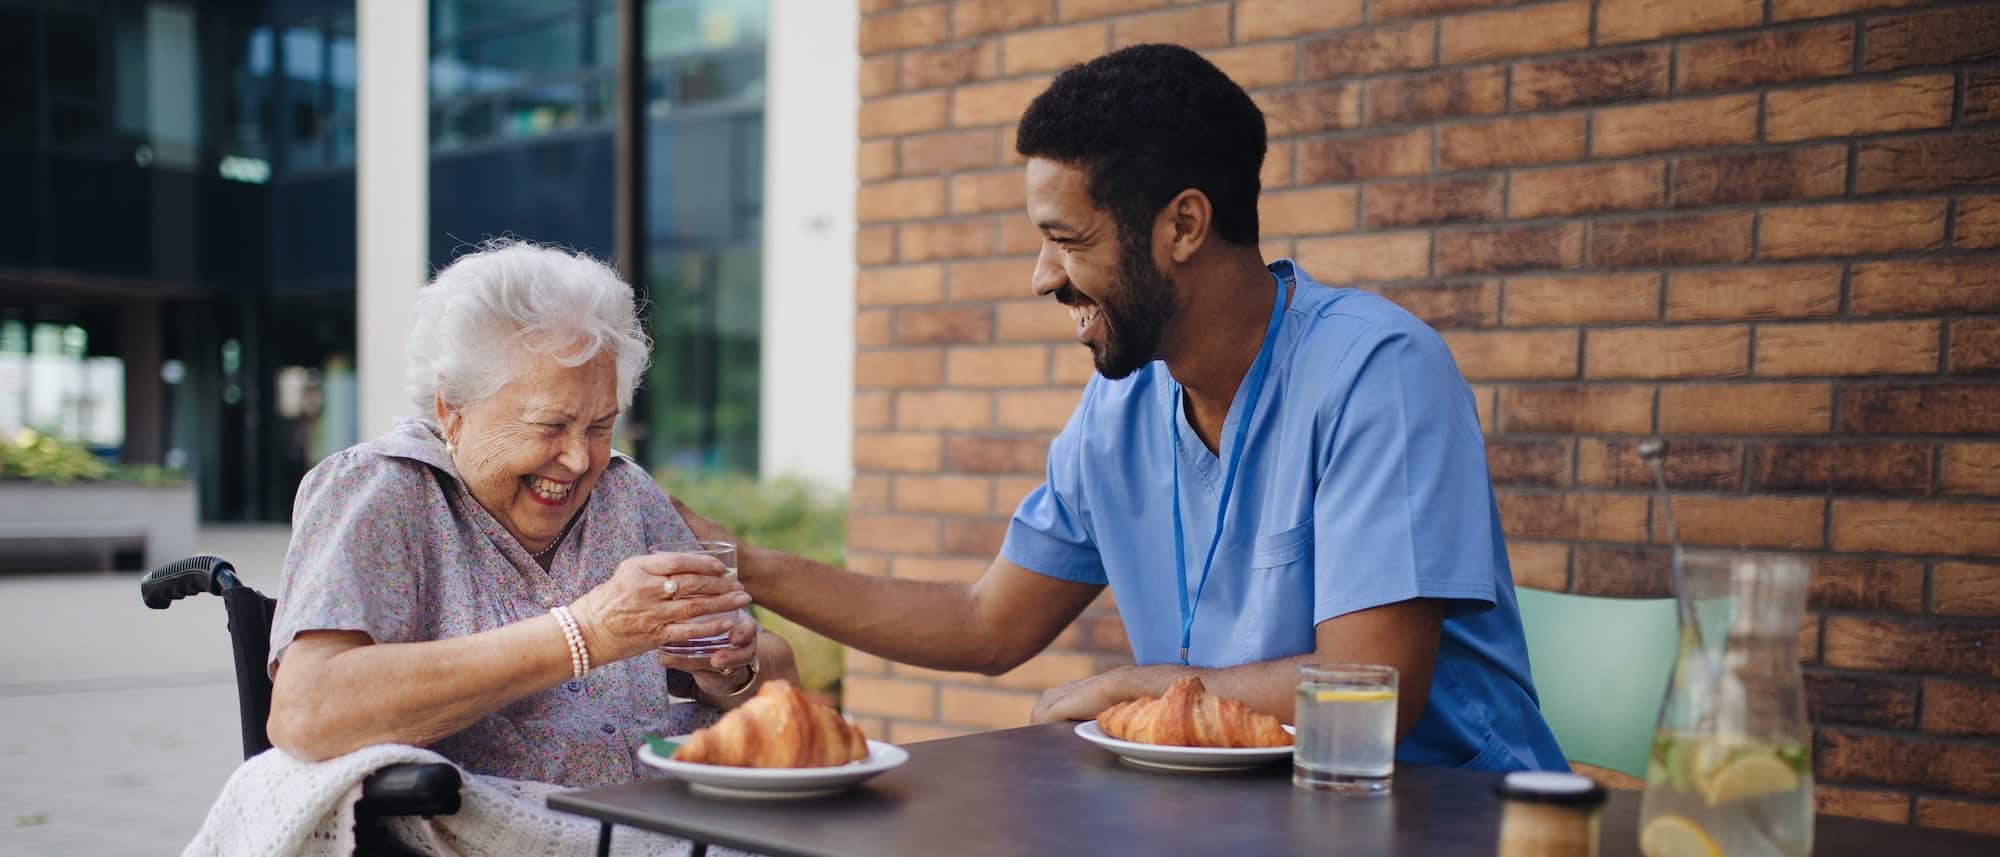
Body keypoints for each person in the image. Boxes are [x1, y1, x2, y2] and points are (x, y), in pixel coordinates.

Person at [678, 44, 1565, 772]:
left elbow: (1373, 688)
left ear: (1182, 225)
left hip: (1449, 821)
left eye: (1067, 240)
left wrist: (1141, 690)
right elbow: (986, 621)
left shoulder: (1379, 371)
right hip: (1237, 824)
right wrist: (734, 560)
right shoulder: (1123, 409)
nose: (1042, 276)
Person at [266, 240, 799, 787]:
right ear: (453, 411)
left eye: (600, 425)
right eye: (550, 425)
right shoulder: (384, 491)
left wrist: (731, 671)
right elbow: (307, 713)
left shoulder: (624, 492)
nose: (579, 458)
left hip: (663, 824)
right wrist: (587, 633)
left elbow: (777, 671)